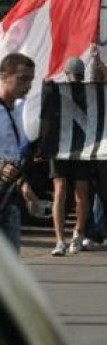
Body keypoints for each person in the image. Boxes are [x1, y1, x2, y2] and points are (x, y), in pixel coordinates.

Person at [49, 57, 95, 256]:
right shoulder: (56, 92)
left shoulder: (88, 94)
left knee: (81, 193)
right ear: (66, 75)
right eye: (73, 76)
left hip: (82, 148)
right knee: (59, 191)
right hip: (60, 148)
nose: (75, 80)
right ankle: (59, 239)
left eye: (79, 77)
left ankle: (78, 231)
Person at [0, 53, 37, 254]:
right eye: (22, 79)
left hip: (9, 196)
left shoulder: (18, 111)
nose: (28, 85)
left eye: (30, 79)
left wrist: (26, 189)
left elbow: (15, 156)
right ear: (5, 76)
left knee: (12, 262)